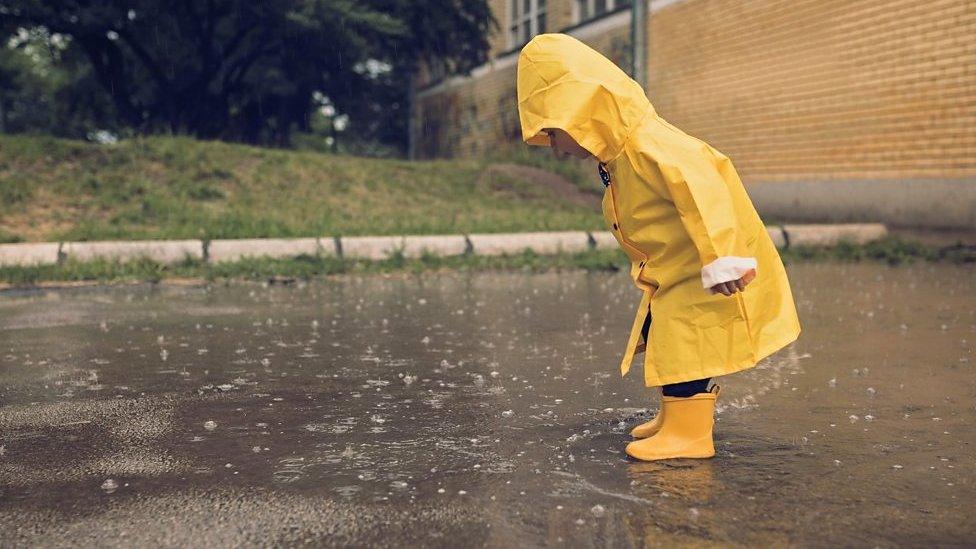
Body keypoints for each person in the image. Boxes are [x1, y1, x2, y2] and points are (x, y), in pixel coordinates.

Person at [516, 34, 801, 461]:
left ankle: (690, 435)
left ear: (582, 113)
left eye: (554, 132)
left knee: (687, 346)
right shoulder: (619, 154)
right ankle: (676, 418)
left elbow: (703, 192)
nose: (554, 148)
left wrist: (722, 258)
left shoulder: (647, 144)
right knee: (667, 337)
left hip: (699, 268)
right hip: (675, 270)